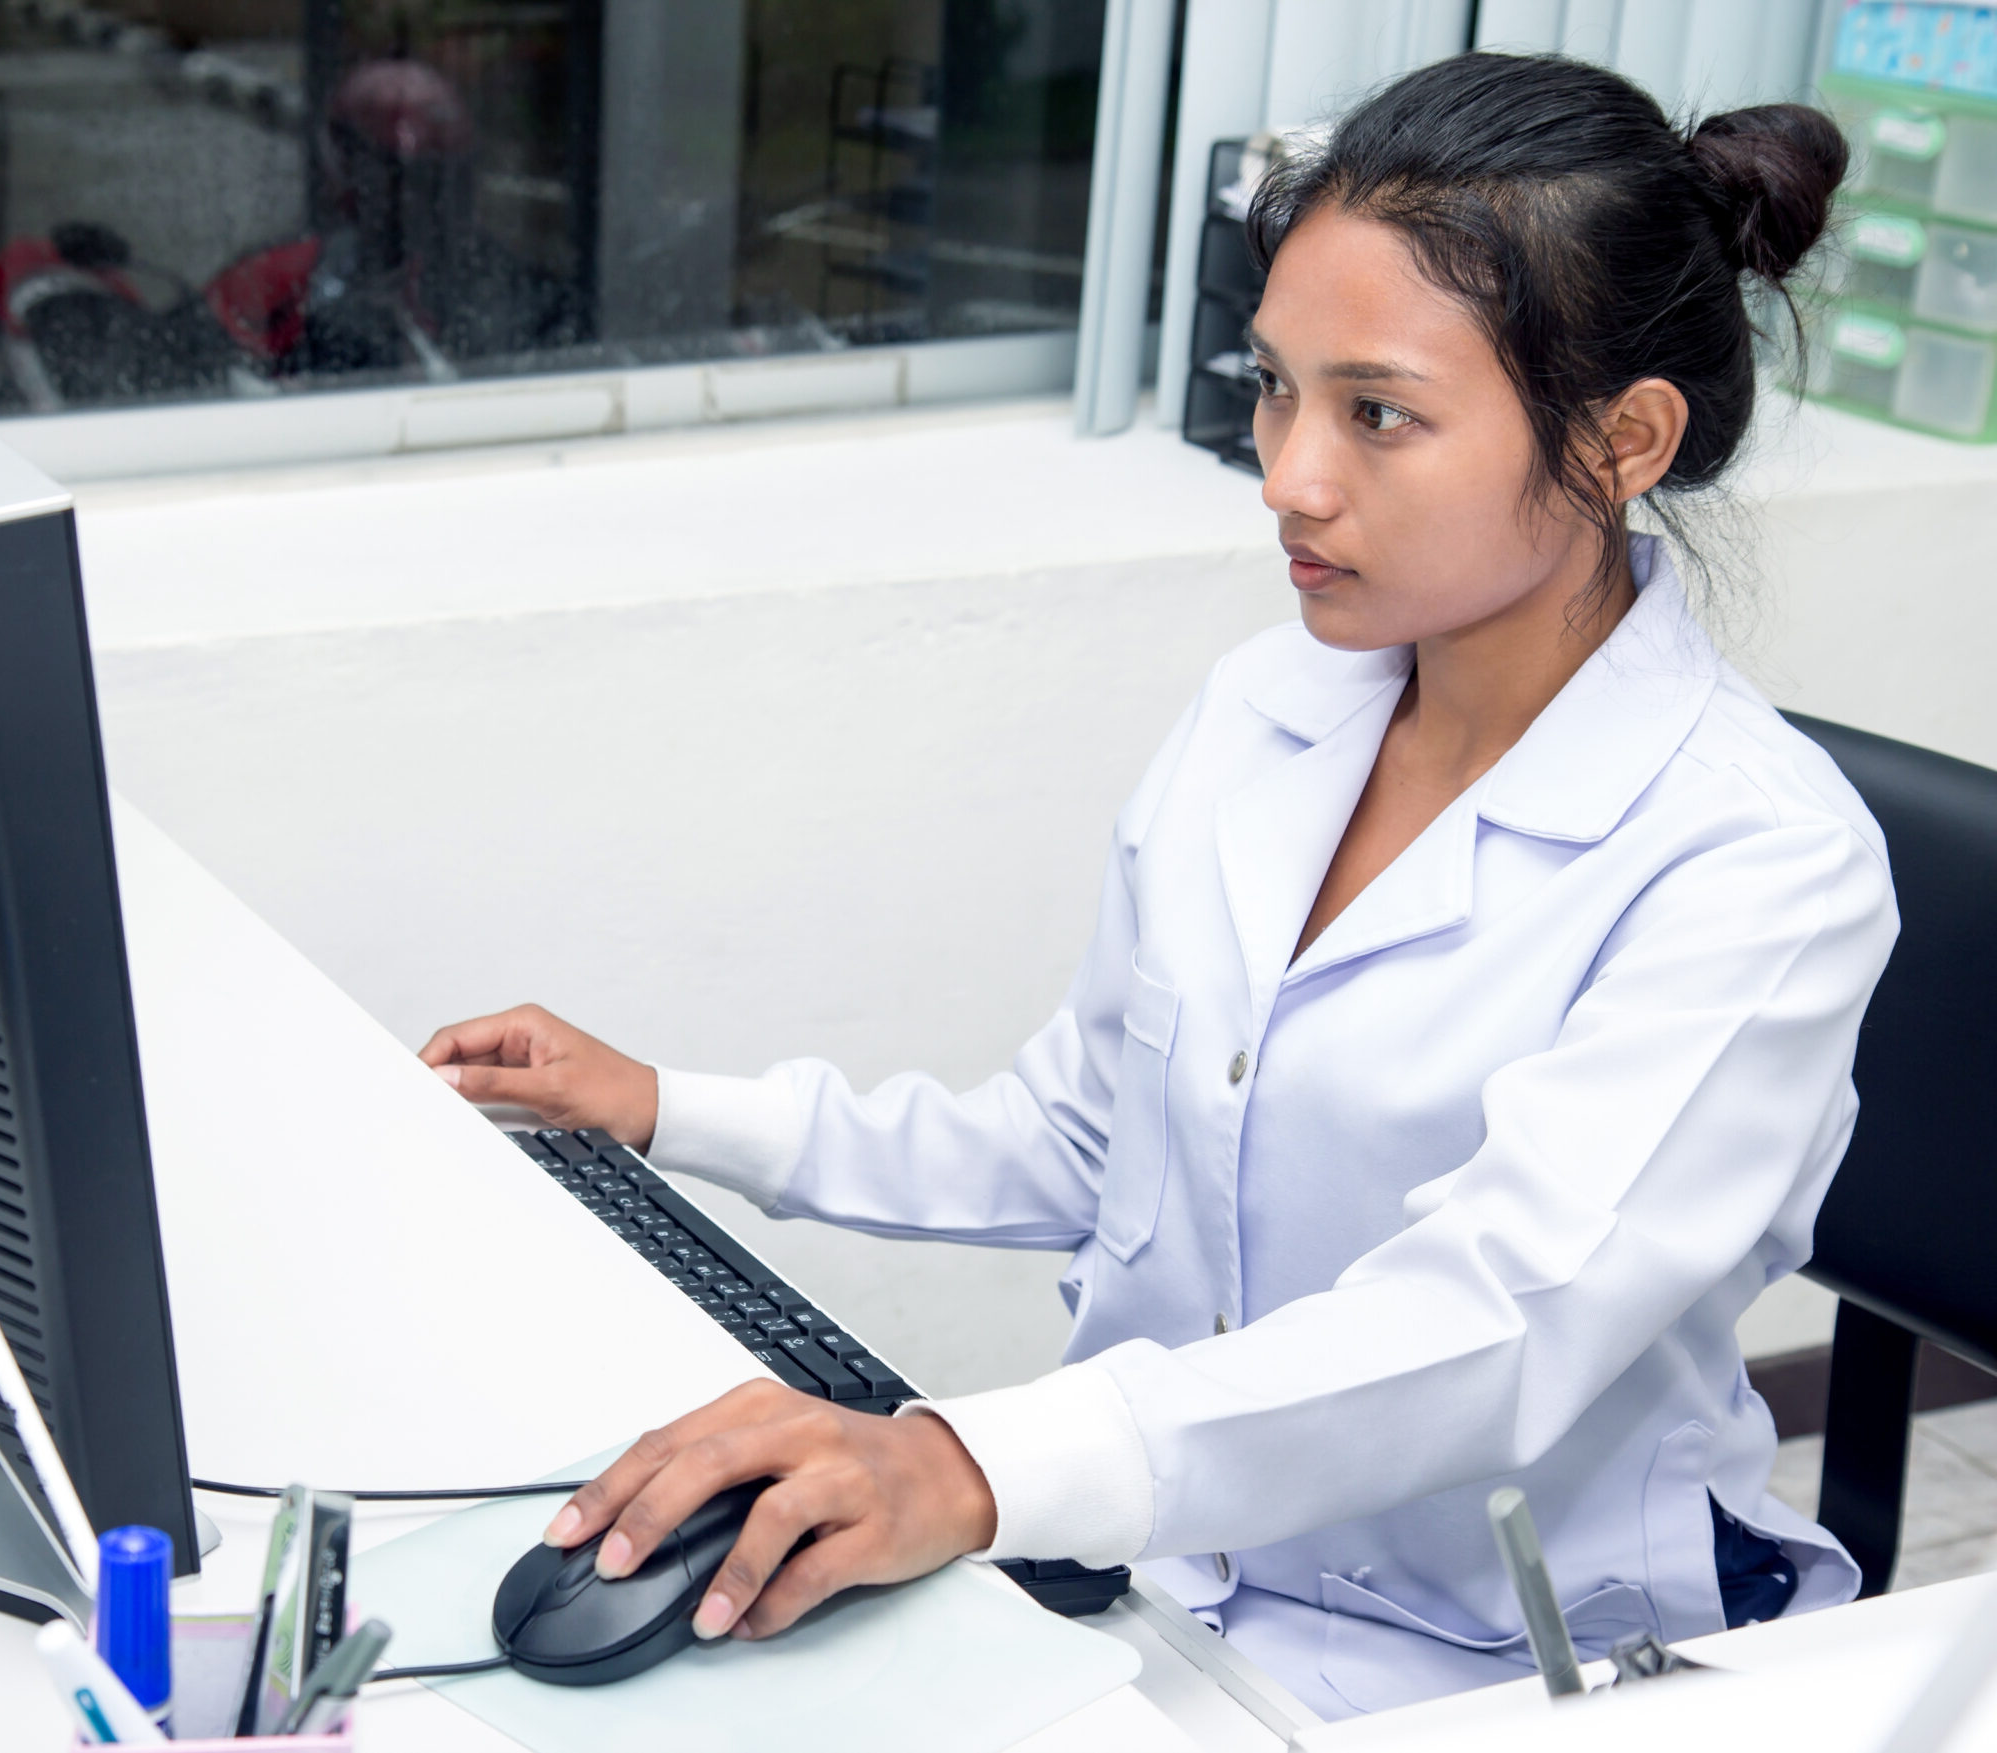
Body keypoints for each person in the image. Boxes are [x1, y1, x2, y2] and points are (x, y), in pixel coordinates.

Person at [419, 52, 1894, 1719]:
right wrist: (670, 1107)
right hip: (1171, 1586)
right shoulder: (1269, 711)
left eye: (1379, 413)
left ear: (1623, 438)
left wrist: (966, 1465)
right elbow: (1084, 1137)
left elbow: (1495, 1323)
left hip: (1503, 1657)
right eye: (1274, 388)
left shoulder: (1760, 861)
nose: (1290, 475)